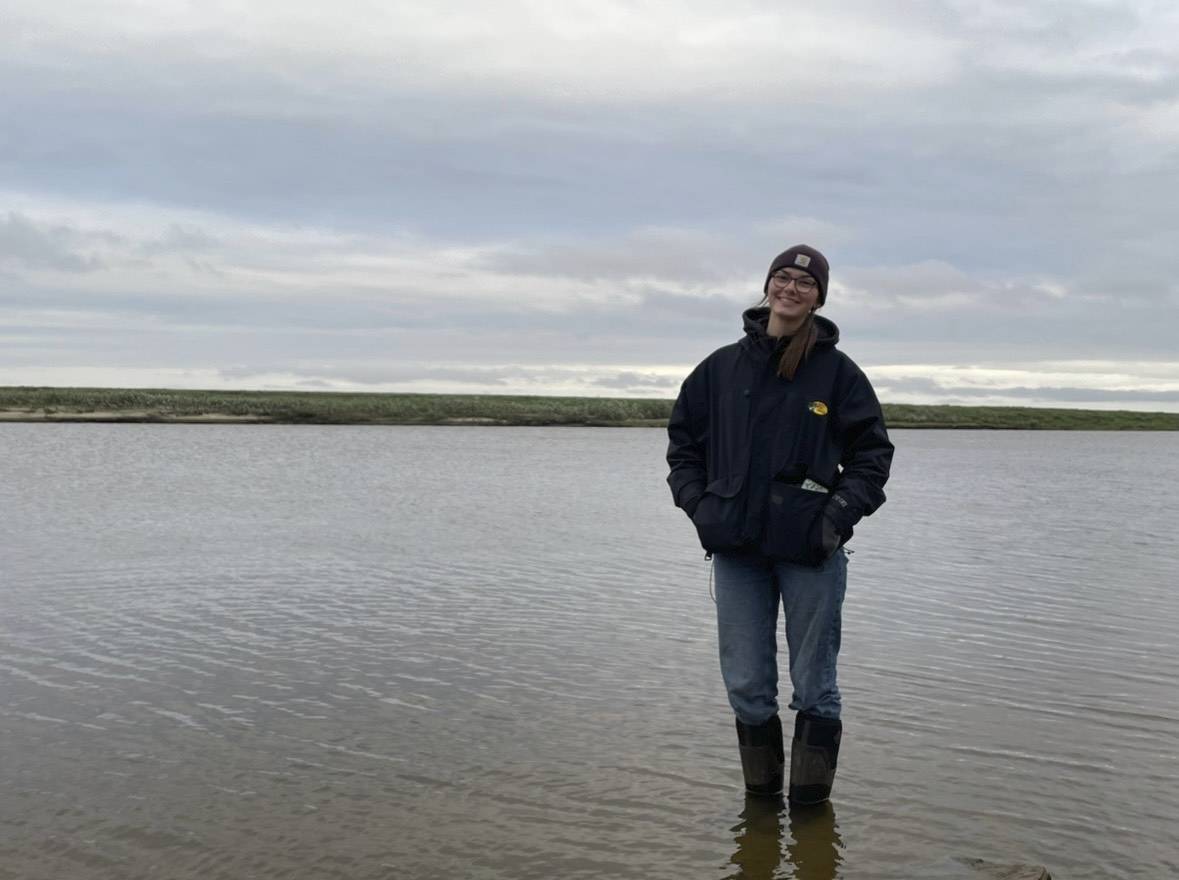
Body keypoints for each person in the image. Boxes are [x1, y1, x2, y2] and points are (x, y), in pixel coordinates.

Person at [666, 244, 893, 804]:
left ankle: (812, 816)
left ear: (819, 296)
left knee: (816, 686)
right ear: (767, 285)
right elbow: (682, 448)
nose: (792, 288)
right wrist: (702, 507)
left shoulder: (838, 374)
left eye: (805, 282)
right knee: (746, 685)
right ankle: (762, 816)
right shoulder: (719, 368)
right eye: (783, 277)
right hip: (737, 550)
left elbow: (872, 455)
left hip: (809, 551)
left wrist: (835, 519)